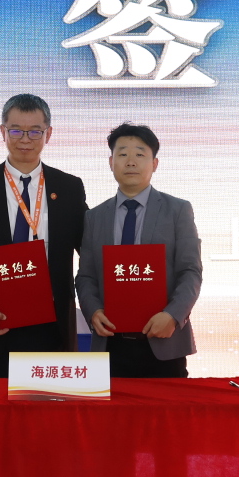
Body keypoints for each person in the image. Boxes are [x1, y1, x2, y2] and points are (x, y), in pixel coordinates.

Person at [0, 93, 88, 378]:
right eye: (16, 130)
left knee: (45, 405)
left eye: (35, 131)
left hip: (51, 326)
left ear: (48, 134)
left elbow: (89, 247)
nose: (25, 139)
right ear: (3, 132)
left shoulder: (69, 187)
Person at [74, 122, 202, 379]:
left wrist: (172, 316)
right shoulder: (94, 217)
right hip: (110, 343)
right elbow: (86, 276)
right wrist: (93, 311)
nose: (130, 162)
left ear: (155, 163)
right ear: (111, 162)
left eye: (140, 154)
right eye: (122, 154)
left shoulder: (178, 210)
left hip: (164, 342)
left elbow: (190, 272)